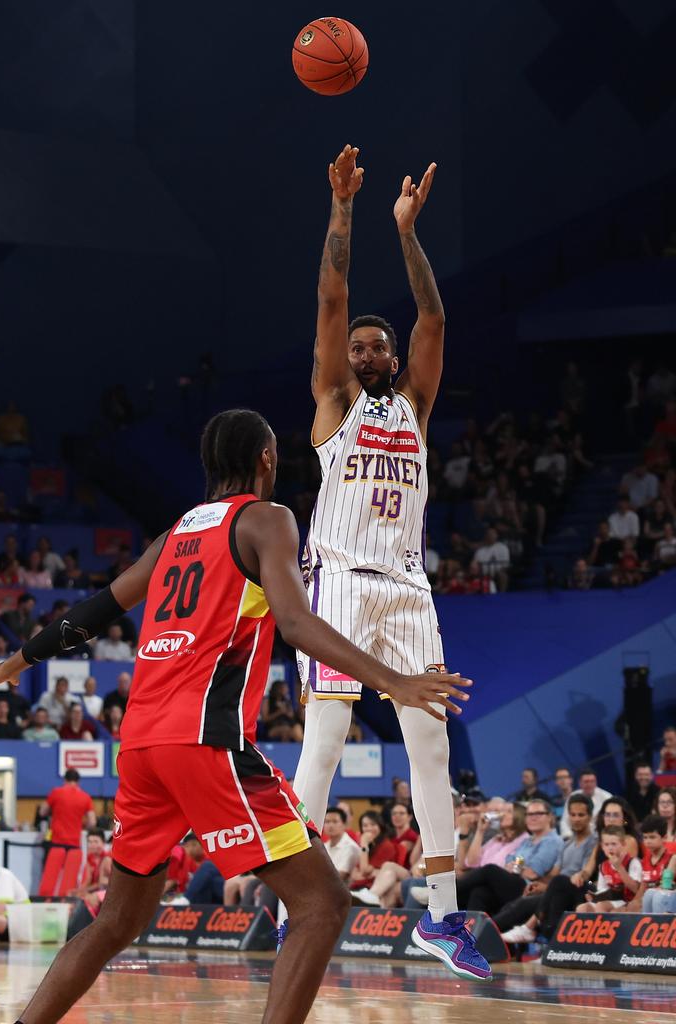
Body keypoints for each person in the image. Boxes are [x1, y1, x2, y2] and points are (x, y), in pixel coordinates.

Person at [0, 406, 477, 1022]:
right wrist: (394, 680)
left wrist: (13, 663)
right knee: (322, 905)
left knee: (115, 923)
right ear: (266, 459)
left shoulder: (176, 533)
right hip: (205, 739)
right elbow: (295, 622)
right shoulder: (268, 519)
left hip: (143, 747)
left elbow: (97, 609)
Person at [290, 143, 489, 980]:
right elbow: (333, 295)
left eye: (381, 347)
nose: (371, 353)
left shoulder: (413, 405)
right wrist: (344, 208)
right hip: (338, 578)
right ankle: (289, 899)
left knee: (432, 747)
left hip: (409, 587)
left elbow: (435, 321)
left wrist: (406, 231)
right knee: (326, 742)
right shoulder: (334, 404)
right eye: (362, 347)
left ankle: (440, 921)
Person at [496, 793, 597, 943]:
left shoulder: (594, 842)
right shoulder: (567, 843)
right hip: (558, 888)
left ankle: (484, 934)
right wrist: (542, 886)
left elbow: (585, 875)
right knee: (515, 903)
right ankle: (489, 936)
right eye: (572, 814)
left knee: (527, 902)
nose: (576, 819)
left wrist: (549, 885)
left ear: (590, 817)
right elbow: (554, 875)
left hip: (580, 890)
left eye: (581, 815)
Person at [456, 799, 563, 916]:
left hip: (528, 888)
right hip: (512, 882)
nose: (533, 817)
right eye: (529, 814)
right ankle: (471, 930)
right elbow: (509, 861)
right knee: (480, 893)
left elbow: (532, 873)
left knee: (490, 870)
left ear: (550, 817)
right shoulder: (528, 841)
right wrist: (517, 867)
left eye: (538, 813)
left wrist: (517, 867)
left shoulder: (551, 841)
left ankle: (449, 892)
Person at [575, 826, 642, 913]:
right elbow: (602, 889)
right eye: (606, 844)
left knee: (602, 906)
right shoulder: (603, 866)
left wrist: (619, 868)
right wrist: (595, 896)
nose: (610, 848)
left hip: (627, 901)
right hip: (610, 899)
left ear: (623, 844)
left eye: (614, 844)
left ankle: (600, 926)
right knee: (582, 908)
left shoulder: (632, 862)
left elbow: (635, 889)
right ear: (602, 846)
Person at [623, 815, 676, 913]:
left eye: (652, 837)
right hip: (651, 899)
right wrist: (632, 903)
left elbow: (668, 886)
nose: (648, 841)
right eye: (645, 837)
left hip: (667, 901)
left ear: (664, 838)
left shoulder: (672, 859)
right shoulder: (645, 861)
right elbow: (643, 887)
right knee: (640, 900)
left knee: (653, 895)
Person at [38, 770, 96, 850]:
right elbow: (92, 822)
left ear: (64, 780)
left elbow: (42, 812)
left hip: (56, 840)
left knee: (54, 862)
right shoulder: (86, 797)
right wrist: (83, 826)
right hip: (74, 842)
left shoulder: (56, 792)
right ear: (78, 781)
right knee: (72, 862)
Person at [559, 769, 612, 837]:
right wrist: (568, 837)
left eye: (592, 781)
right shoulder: (573, 797)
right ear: (580, 783)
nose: (589, 784)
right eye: (586, 782)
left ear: (596, 782)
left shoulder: (607, 798)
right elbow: (564, 821)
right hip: (575, 837)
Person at [322, 806, 361, 882]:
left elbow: (339, 877)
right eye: (327, 822)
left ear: (344, 824)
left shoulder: (351, 847)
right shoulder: (324, 846)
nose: (330, 825)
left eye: (335, 821)